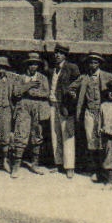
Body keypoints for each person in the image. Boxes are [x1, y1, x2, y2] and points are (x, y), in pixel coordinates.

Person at [73, 53, 112, 180]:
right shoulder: (84, 78)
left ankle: (105, 170)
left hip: (103, 112)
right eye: (90, 62)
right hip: (89, 112)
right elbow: (72, 87)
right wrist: (73, 94)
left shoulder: (107, 76)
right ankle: (95, 170)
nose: (93, 65)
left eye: (95, 62)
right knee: (91, 141)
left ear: (99, 64)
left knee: (103, 140)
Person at [10, 53, 51, 178]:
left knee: (37, 134)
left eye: (36, 64)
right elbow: (16, 92)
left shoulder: (42, 78)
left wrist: (32, 92)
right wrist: (27, 86)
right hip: (23, 107)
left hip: (38, 107)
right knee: (21, 134)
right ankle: (16, 166)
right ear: (27, 65)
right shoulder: (20, 78)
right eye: (31, 64)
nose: (33, 67)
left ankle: (35, 164)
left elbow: (46, 93)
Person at [45, 44, 80, 178]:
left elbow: (78, 83)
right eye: (56, 53)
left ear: (65, 55)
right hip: (53, 105)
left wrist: (72, 94)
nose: (57, 55)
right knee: (55, 134)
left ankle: (69, 166)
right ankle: (58, 163)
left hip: (66, 106)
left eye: (61, 53)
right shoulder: (52, 69)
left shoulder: (72, 68)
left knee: (68, 135)